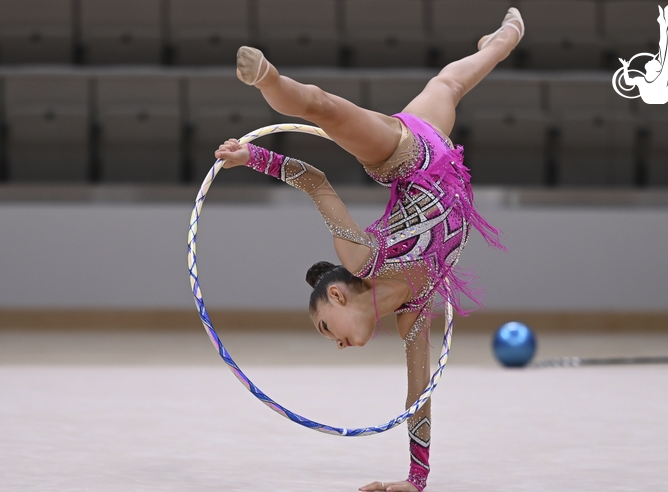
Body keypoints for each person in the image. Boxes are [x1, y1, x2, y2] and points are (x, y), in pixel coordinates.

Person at [215, 8, 524, 492]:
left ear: (338, 296)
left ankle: (267, 77)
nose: (331, 341)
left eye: (323, 327)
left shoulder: (362, 258)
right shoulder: (414, 314)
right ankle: (501, 40)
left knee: (325, 110)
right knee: (448, 85)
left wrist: (252, 155)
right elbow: (418, 395)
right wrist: (416, 481)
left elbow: (316, 182)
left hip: (406, 158)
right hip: (442, 157)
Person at [619, 5, 668, 104]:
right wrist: (625, 67)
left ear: (656, 69)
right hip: (655, 97)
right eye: (655, 60)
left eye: (655, 61)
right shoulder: (642, 80)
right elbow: (628, 82)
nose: (652, 59)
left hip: (660, 96)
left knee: (664, 52)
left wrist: (663, 26)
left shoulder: (660, 77)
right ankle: (663, 23)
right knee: (664, 53)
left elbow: (665, 48)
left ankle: (663, 23)